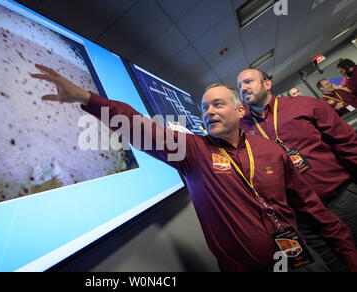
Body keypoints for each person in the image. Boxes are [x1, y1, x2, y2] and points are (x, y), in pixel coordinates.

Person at [30, 64, 357, 272]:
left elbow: (316, 212)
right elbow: (140, 126)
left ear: (240, 110)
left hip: (300, 262)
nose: (209, 111)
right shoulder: (194, 152)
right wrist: (87, 98)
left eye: (218, 104)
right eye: (204, 108)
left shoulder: (270, 151)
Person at [237, 68, 357, 271]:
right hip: (303, 221)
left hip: (340, 202)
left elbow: (348, 145)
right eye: (239, 86)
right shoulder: (242, 131)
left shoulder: (305, 105)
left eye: (248, 81)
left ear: (267, 84)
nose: (243, 88)